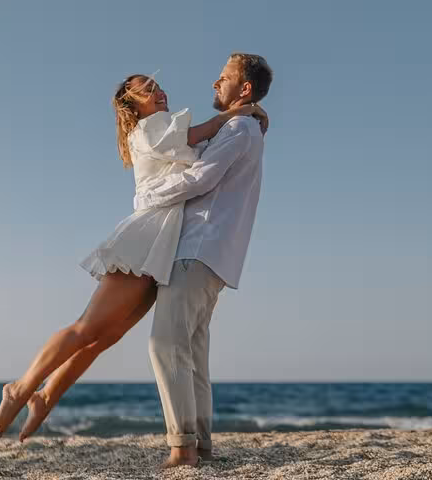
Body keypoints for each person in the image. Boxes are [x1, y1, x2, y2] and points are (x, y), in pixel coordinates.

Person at [0, 72, 268, 441]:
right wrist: (233, 115)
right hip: (147, 241)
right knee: (87, 328)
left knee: (103, 338)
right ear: (130, 101)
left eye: (159, 85)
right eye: (148, 87)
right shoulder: (151, 127)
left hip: (165, 247)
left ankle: (46, 396)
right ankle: (21, 386)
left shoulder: (162, 132)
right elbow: (197, 138)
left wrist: (248, 115)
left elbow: (207, 154)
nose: (159, 90)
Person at [134, 53, 273, 468]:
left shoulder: (239, 128)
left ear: (244, 89)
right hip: (211, 254)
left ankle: (182, 448)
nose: (215, 84)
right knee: (191, 354)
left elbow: (200, 178)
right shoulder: (243, 125)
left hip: (198, 250)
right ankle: (202, 447)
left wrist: (145, 198)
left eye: (223, 78)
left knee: (165, 346)